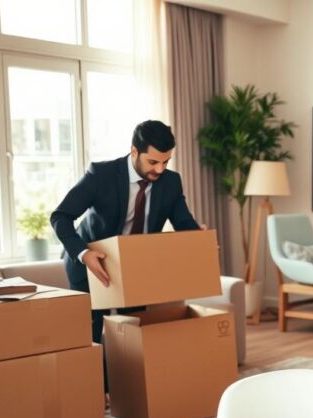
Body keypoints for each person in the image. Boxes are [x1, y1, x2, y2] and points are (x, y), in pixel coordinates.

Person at [50, 120, 202, 345]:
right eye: (153, 162)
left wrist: (200, 240)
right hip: (89, 263)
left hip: (134, 266)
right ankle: (91, 380)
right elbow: (60, 216)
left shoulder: (170, 182)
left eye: (165, 162)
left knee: (132, 333)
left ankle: (122, 380)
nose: (160, 169)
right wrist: (83, 253)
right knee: (89, 337)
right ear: (134, 151)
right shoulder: (101, 175)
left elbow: (183, 222)